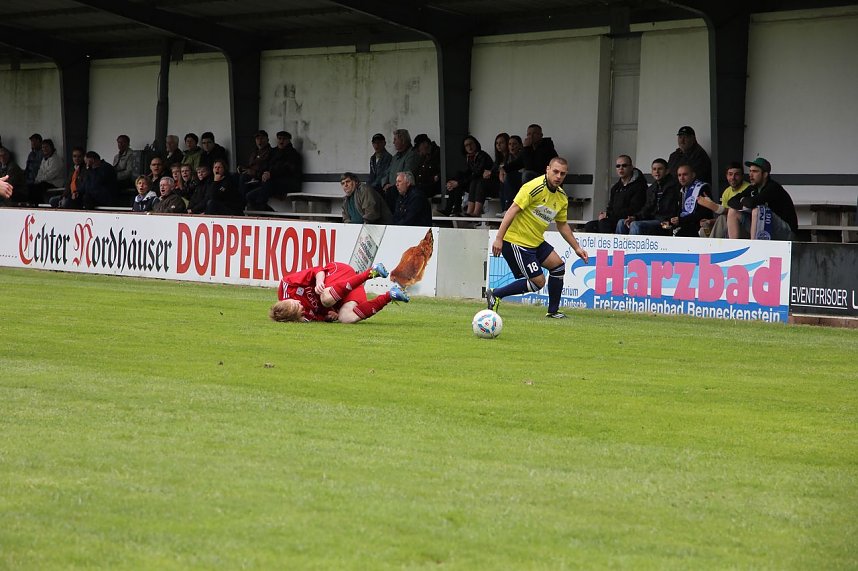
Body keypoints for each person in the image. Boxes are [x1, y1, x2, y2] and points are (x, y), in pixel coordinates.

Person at [486, 157, 589, 319]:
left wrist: (576, 248)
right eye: (555, 171)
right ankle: (496, 294)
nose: (558, 176)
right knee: (538, 282)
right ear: (547, 169)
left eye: (562, 173)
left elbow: (562, 224)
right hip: (516, 241)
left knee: (558, 267)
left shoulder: (561, 197)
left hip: (535, 241)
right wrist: (499, 238)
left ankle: (553, 311)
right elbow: (512, 210)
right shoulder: (533, 187)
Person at [269, 262, 410, 324]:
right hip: (346, 291)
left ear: (285, 301)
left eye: (296, 303)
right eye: (298, 311)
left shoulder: (287, 285)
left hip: (337, 273)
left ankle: (372, 271)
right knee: (346, 319)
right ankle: (391, 295)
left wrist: (319, 282)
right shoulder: (302, 317)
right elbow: (322, 315)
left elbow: (318, 270)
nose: (301, 306)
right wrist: (332, 316)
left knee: (325, 298)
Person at [727, 157, 798, 241]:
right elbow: (731, 201)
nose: (750, 175)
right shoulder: (753, 187)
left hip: (787, 233)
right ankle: (734, 247)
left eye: (755, 171)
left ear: (765, 174)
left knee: (758, 210)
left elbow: (752, 203)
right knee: (733, 211)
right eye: (750, 171)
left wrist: (742, 200)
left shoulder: (773, 187)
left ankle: (754, 247)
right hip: (769, 229)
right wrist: (743, 201)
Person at [583, 155, 647, 233]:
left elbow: (634, 209)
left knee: (604, 223)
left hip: (629, 219)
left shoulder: (640, 186)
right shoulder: (615, 188)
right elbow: (610, 207)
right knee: (590, 225)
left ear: (631, 167)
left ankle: (610, 245)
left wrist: (608, 214)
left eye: (624, 165)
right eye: (618, 166)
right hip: (614, 218)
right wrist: (605, 214)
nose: (621, 168)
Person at [245, 130, 303, 211]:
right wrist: (263, 174)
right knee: (249, 196)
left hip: (288, 183)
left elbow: (287, 169)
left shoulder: (293, 154)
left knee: (262, 194)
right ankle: (267, 212)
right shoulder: (273, 152)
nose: (281, 141)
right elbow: (265, 166)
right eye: (279, 139)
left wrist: (271, 174)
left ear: (289, 140)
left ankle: (261, 211)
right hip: (272, 183)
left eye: (284, 139)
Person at [620, 158, 680, 235]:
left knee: (636, 225)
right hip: (652, 220)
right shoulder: (651, 189)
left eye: (660, 169)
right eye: (654, 169)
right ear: (651, 172)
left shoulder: (674, 186)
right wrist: (635, 217)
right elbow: (647, 208)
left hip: (666, 223)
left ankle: (633, 247)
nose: (657, 172)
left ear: (667, 171)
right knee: (622, 222)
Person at [441, 135, 495, 217]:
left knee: (468, 182)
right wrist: (453, 181)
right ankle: (451, 209)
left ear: (476, 144)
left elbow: (477, 173)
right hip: (475, 182)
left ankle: (471, 212)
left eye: (471, 144)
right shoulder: (469, 157)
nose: (469, 147)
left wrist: (458, 183)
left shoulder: (482, 155)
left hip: (486, 184)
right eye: (466, 145)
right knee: (457, 176)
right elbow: (469, 172)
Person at [697, 161, 749, 238]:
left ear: (742, 176)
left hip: (746, 228)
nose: (733, 178)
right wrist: (710, 222)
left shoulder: (748, 188)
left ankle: (711, 247)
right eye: (730, 174)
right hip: (730, 227)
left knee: (722, 218)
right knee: (703, 230)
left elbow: (734, 213)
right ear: (726, 175)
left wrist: (712, 206)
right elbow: (726, 217)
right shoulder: (727, 191)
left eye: (737, 174)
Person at [663, 163, 712, 237]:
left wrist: (681, 220)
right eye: (679, 175)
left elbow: (704, 213)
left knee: (678, 233)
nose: (681, 178)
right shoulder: (680, 190)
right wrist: (669, 221)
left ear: (693, 175)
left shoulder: (702, 188)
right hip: (683, 223)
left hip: (697, 225)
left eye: (685, 174)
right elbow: (676, 211)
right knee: (663, 228)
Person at [381, 129, 420, 211]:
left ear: (403, 140)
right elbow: (387, 172)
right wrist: (385, 184)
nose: (393, 142)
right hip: (390, 188)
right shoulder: (395, 157)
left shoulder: (412, 154)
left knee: (391, 192)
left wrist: (393, 185)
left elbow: (407, 173)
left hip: (403, 189)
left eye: (395, 139)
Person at [28, 138, 66, 205]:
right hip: (45, 182)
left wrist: (39, 180)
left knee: (39, 187)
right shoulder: (44, 159)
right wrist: (37, 179)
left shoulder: (56, 159)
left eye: (46, 147)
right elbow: (40, 171)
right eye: (43, 147)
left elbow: (50, 175)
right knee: (31, 186)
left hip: (55, 183)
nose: (44, 149)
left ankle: (39, 204)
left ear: (51, 147)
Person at [238, 130, 272, 195]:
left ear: (267, 139)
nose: (259, 141)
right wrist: (242, 168)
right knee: (234, 176)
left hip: (258, 177)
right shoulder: (255, 152)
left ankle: (242, 202)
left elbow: (265, 168)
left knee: (243, 178)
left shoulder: (270, 152)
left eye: (262, 138)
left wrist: (254, 172)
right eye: (257, 139)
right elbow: (250, 165)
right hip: (251, 174)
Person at [498, 134, 524, 214]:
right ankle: (504, 210)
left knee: (508, 178)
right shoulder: (507, 158)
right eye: (510, 144)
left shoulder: (523, 155)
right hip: (510, 181)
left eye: (514, 144)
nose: (512, 146)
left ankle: (508, 209)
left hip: (522, 180)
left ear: (520, 145)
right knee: (502, 183)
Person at [413, 133, 441, 198]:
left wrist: (437, 177)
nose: (418, 150)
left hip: (433, 187)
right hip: (421, 186)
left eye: (418, 147)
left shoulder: (439, 153)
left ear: (425, 143)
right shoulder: (423, 157)